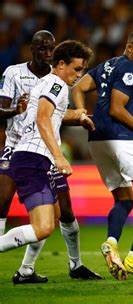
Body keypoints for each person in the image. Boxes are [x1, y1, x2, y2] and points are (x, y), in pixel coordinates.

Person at [0, 31, 102, 283]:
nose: (78, 75)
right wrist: (59, 157)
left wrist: (78, 116)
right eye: (76, 69)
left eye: (82, 70)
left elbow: (52, 114)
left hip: (35, 158)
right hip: (34, 159)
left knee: (55, 217)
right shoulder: (56, 84)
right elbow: (43, 117)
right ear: (61, 64)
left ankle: (26, 271)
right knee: (43, 227)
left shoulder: (50, 84)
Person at [72, 29, 133, 280]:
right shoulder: (129, 69)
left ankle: (111, 243)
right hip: (121, 138)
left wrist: (82, 113)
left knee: (124, 199)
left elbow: (79, 87)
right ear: (130, 47)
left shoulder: (106, 66)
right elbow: (116, 109)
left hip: (97, 141)